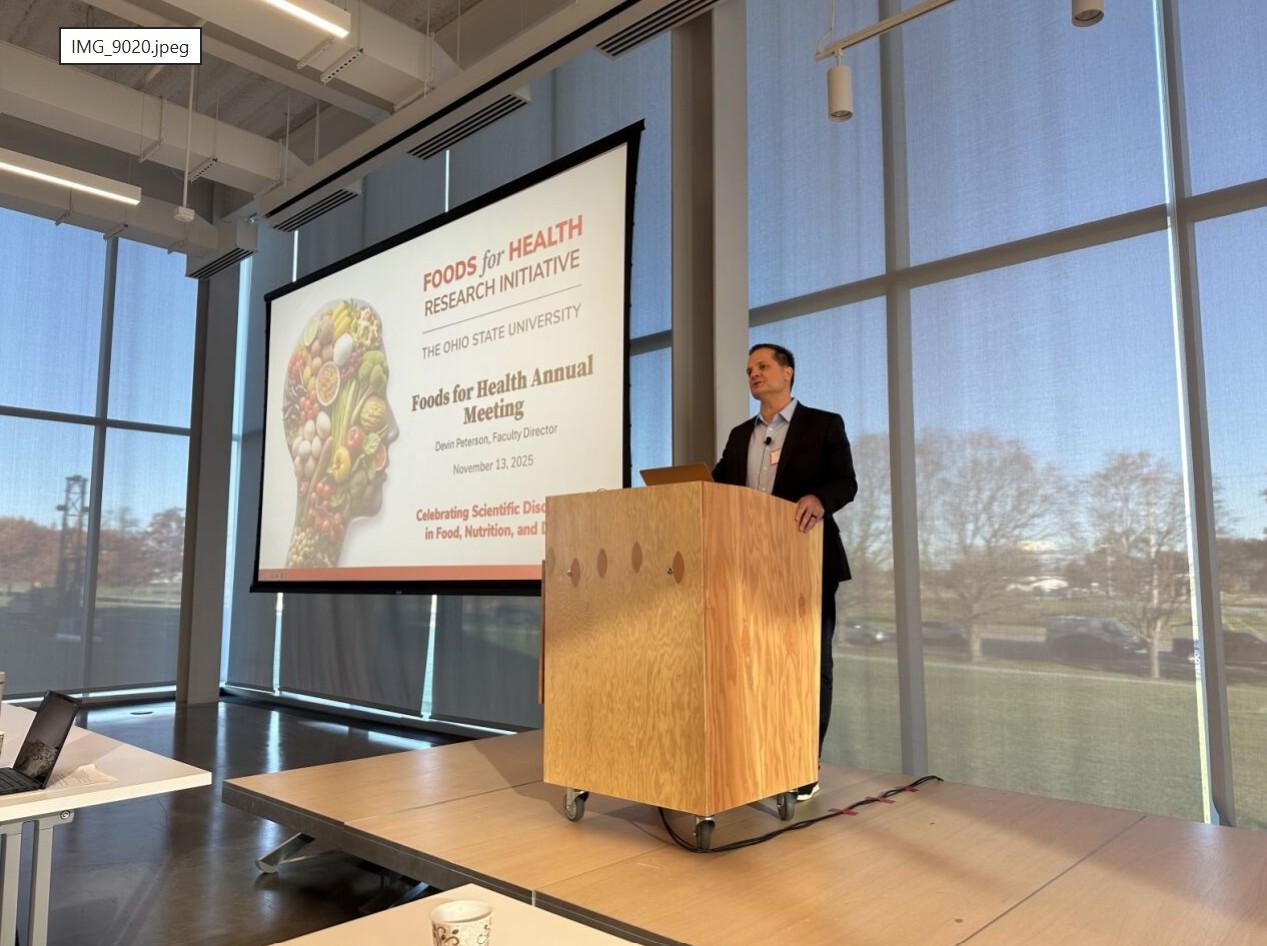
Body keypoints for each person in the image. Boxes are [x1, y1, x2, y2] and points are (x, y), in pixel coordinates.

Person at [712, 343, 857, 801]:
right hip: (747, 568)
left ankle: (801, 763)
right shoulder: (741, 435)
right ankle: (755, 754)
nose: (753, 373)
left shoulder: (823, 424)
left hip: (805, 560)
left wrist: (818, 498)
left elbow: (845, 481)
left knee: (810, 665)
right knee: (749, 663)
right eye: (749, 368)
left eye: (763, 366)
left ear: (788, 373)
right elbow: (718, 488)